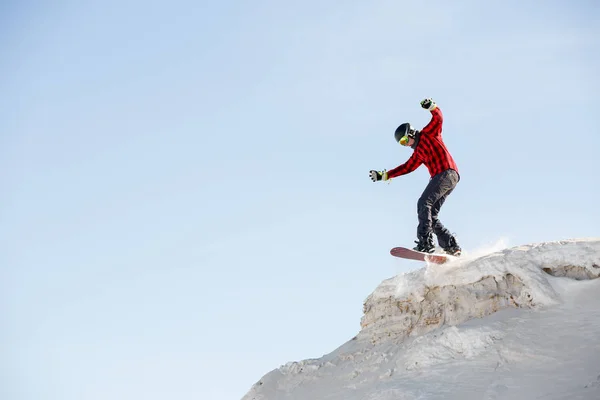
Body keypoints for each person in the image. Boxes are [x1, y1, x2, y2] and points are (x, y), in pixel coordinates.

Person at [369, 98, 461, 256]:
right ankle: (451, 245)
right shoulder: (417, 153)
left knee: (424, 202)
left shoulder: (429, 133)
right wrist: (384, 175)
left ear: (411, 132)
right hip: (446, 178)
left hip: (446, 172)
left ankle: (425, 242)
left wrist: (432, 107)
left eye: (405, 140)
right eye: (401, 143)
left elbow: (438, 118)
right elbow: (405, 168)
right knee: (431, 214)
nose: (405, 144)